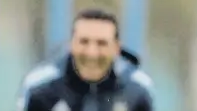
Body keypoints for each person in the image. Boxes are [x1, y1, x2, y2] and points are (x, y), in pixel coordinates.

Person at [17, 9, 154, 111]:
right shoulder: (40, 87)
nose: (92, 53)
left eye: (101, 43)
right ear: (71, 44)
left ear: (116, 48)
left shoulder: (137, 89)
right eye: (84, 41)